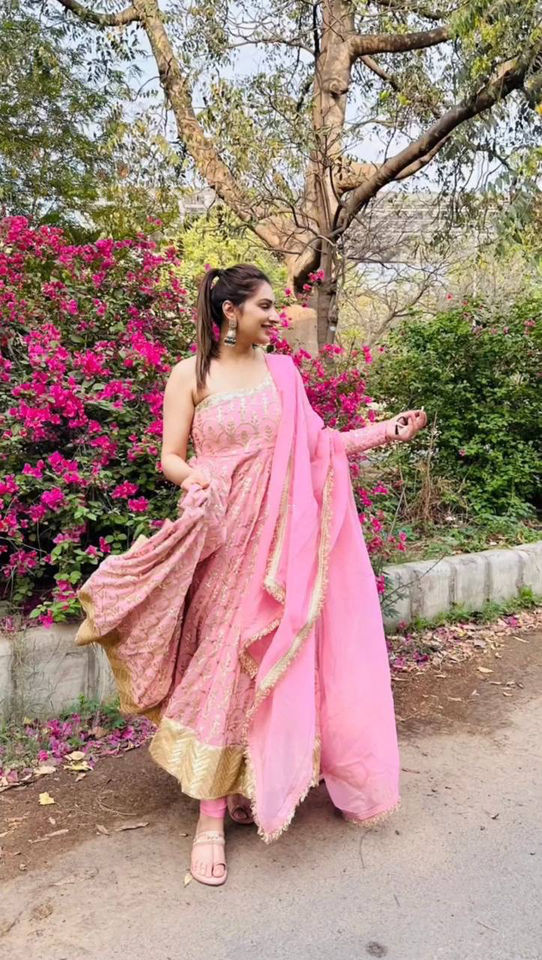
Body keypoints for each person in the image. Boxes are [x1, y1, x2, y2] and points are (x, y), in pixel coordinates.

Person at [75, 263, 427, 888]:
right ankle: (210, 820)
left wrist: (386, 432)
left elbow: (320, 445)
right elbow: (170, 457)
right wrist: (195, 478)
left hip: (276, 547)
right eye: (264, 306)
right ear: (229, 311)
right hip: (218, 537)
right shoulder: (189, 375)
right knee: (219, 665)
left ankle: (235, 788)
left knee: (257, 665)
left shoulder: (283, 373)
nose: (275, 317)